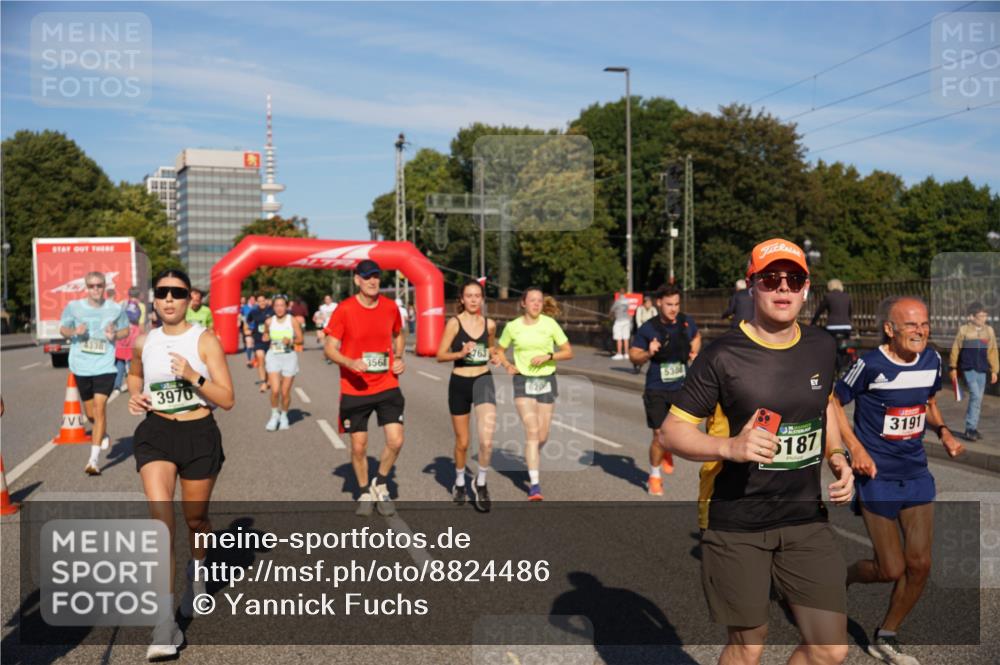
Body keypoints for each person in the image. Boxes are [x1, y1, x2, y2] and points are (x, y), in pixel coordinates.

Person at [663, 238, 854, 665]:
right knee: (748, 646)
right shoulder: (722, 355)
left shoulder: (822, 346)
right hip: (737, 520)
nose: (783, 287)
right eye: (770, 278)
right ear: (752, 286)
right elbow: (671, 433)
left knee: (830, 649)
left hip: (805, 517)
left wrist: (837, 455)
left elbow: (824, 404)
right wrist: (729, 446)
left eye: (794, 279)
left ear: (806, 289)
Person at [833, 295, 965, 665]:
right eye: (911, 325)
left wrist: (944, 432)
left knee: (920, 565)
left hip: (916, 472)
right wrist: (855, 449)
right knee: (889, 568)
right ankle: (841, 578)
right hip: (877, 475)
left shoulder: (932, 359)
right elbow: (832, 401)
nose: (920, 331)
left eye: (924, 324)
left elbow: (929, 403)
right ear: (890, 329)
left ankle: (886, 635)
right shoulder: (869, 364)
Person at [126, 268, 234, 661]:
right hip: (156, 433)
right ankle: (164, 623)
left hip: (199, 434)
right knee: (161, 522)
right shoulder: (145, 341)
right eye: (162, 292)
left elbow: (227, 398)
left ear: (190, 299)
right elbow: (134, 375)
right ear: (154, 299)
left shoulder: (205, 340)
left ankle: (197, 573)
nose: (169, 299)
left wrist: (193, 377)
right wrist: (135, 395)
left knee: (195, 520)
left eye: (177, 292)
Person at [324, 260, 406, 517]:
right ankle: (364, 491)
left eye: (376, 276)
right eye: (367, 277)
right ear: (357, 280)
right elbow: (329, 348)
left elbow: (398, 334)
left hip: (387, 384)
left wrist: (399, 357)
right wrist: (350, 363)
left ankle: (379, 483)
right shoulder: (345, 310)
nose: (372, 281)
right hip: (355, 388)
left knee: (396, 440)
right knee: (359, 447)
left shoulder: (390, 307)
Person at [494, 287, 573, 501]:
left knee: (542, 436)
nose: (536, 304)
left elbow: (568, 352)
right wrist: (507, 365)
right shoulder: (513, 327)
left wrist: (549, 356)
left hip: (546, 380)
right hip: (523, 380)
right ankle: (535, 485)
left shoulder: (550, 324)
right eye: (532, 300)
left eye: (539, 300)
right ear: (523, 303)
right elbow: (499, 350)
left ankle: (532, 457)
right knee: (532, 431)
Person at [628, 284, 701, 495]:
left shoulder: (686, 322)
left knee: (681, 431)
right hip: (656, 388)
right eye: (669, 304)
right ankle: (654, 476)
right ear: (659, 303)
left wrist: (694, 351)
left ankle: (667, 448)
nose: (674, 309)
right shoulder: (648, 328)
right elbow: (634, 356)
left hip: (682, 386)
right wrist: (649, 353)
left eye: (677, 304)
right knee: (659, 435)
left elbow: (696, 337)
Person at [58, 271, 130, 476]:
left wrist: (114, 334)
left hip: (105, 366)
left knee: (100, 409)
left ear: (105, 286)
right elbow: (63, 329)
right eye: (92, 286)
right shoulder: (74, 307)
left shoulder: (115, 308)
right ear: (86, 287)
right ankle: (102, 432)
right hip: (81, 366)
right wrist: (75, 332)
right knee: (90, 414)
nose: (96, 289)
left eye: (99, 285)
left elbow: (125, 330)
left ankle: (93, 460)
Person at [436, 280, 498, 512]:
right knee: (463, 442)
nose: (473, 300)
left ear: (482, 298)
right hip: (460, 383)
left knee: (487, 441)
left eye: (477, 296)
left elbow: (491, 348)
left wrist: (494, 356)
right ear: (462, 299)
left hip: (483, 381)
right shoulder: (454, 323)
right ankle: (460, 481)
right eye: (469, 296)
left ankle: (480, 482)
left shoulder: (489, 324)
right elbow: (440, 355)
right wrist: (460, 353)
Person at [949, 301, 998, 441]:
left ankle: (973, 428)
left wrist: (994, 370)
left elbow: (992, 351)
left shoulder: (989, 331)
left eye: (985, 315)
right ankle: (970, 428)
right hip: (968, 368)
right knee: (975, 396)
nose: (984, 318)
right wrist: (953, 367)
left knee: (978, 399)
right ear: (971, 317)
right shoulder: (964, 330)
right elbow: (955, 349)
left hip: (982, 369)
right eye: (981, 316)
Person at [263, 295, 304, 431]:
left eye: (282, 305)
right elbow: (266, 334)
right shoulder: (269, 321)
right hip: (273, 356)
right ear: (273, 307)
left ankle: (284, 416)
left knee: (285, 392)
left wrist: (291, 341)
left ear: (286, 306)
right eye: (277, 305)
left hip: (289, 357)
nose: (279, 308)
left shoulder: (292, 320)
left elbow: (300, 339)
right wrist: (266, 337)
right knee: (275, 390)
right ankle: (274, 415)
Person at [244, 294, 273, 392]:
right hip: (258, 339)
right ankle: (263, 382)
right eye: (259, 301)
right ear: (257, 302)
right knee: (260, 358)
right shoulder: (254, 312)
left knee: (269, 361)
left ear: (266, 301)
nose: (262, 303)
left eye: (263, 300)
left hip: (270, 340)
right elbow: (247, 321)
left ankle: (268, 379)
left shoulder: (271, 311)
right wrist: (247, 330)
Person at [113, 306, 142, 394]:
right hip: (131, 350)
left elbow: (118, 338)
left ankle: (117, 386)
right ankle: (133, 386)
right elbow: (137, 340)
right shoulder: (136, 328)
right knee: (132, 369)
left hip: (120, 350)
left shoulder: (121, 326)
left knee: (119, 367)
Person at [610, 292, 631, 360]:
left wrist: (610, 315)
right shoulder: (627, 301)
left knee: (618, 338)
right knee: (626, 338)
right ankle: (626, 353)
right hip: (627, 321)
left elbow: (612, 310)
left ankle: (619, 353)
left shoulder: (617, 301)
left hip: (619, 321)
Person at [240, 295, 255, 367]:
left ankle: (255, 359)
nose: (253, 301)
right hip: (248, 328)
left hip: (256, 328)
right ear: (249, 300)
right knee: (249, 344)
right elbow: (240, 315)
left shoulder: (256, 307)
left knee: (255, 345)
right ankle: (248, 360)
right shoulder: (244, 307)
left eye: (254, 300)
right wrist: (243, 321)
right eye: (252, 300)